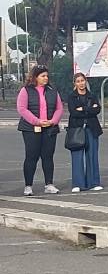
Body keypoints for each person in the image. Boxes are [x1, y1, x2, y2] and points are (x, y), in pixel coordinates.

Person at [16, 64, 64, 196]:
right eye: (43, 76)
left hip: (49, 129)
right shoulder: (26, 90)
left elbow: (59, 108)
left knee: (48, 157)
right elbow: (22, 109)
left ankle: (49, 184)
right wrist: (37, 121)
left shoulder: (52, 90)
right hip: (31, 129)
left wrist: (53, 121)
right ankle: (28, 186)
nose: (46, 78)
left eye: (47, 76)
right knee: (31, 157)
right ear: (35, 77)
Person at [67, 73, 103, 193]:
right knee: (77, 156)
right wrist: (89, 109)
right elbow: (73, 112)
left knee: (92, 155)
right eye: (78, 81)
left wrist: (83, 109)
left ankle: (94, 182)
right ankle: (78, 183)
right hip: (77, 129)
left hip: (91, 128)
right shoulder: (72, 97)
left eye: (82, 81)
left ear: (85, 81)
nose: (81, 83)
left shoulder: (91, 95)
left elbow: (97, 109)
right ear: (75, 83)